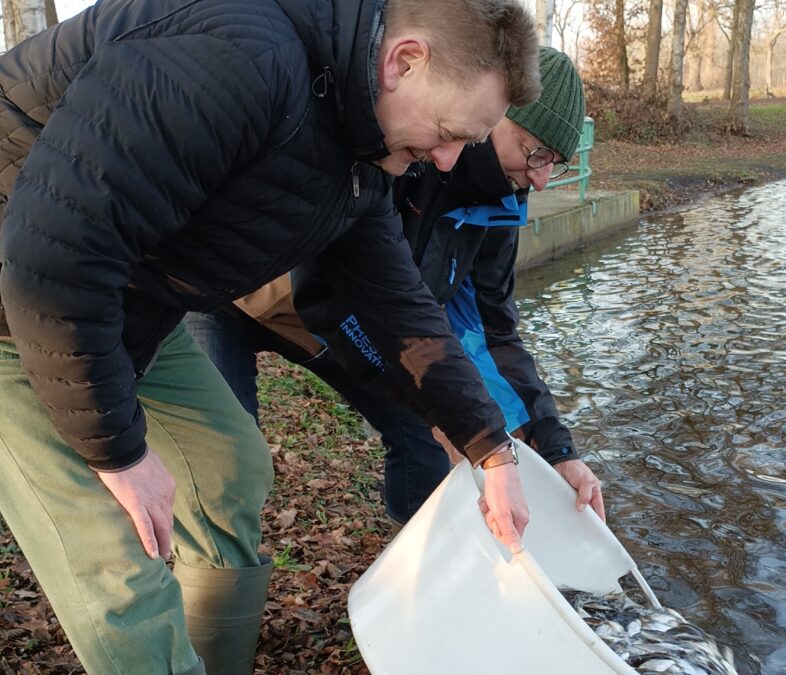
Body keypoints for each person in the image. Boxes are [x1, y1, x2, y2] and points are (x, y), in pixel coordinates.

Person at [0, 0, 540, 673]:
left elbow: (402, 312)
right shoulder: (239, 60)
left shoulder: (363, 152)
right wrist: (118, 453)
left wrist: (491, 450)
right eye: (449, 131)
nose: (448, 158)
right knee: (118, 564)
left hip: (130, 296)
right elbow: (55, 254)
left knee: (230, 465)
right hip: (25, 299)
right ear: (405, 61)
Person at [186, 48, 606, 529]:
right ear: (493, 114)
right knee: (229, 468)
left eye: (555, 162)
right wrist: (453, 415)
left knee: (423, 431)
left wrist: (554, 448)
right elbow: (336, 293)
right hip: (240, 299)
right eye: (535, 153)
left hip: (350, 320)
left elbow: (493, 333)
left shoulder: (501, 207)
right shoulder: (409, 157)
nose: (542, 178)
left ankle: (419, 553)